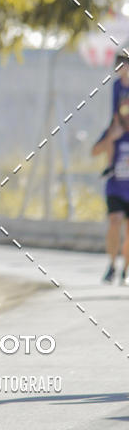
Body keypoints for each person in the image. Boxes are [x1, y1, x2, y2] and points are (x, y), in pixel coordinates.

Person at [92, 54, 129, 284]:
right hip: (116, 184)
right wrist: (111, 138)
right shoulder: (114, 129)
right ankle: (112, 265)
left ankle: (126, 268)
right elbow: (94, 151)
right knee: (115, 222)